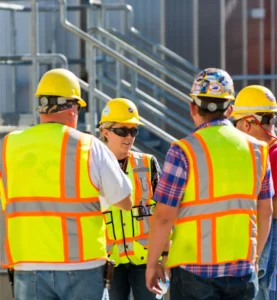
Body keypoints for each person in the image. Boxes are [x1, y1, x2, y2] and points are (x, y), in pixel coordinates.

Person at [0, 68, 132, 300]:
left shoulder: (8, 146)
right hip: (83, 266)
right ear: (72, 107)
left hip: (27, 266)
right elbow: (124, 200)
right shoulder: (89, 146)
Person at [145, 68, 274, 300]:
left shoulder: (183, 151)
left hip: (193, 272)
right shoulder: (258, 150)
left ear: (193, 107)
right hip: (242, 271)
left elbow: (164, 215)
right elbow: (266, 212)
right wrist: (254, 259)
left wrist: (152, 263)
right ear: (231, 110)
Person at [98, 98, 166, 300]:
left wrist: (165, 256)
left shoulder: (148, 164)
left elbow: (165, 213)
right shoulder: (92, 167)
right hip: (109, 264)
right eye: (122, 131)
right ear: (105, 131)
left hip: (147, 262)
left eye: (133, 131)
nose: (129, 137)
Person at [232, 85, 277, 300]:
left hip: (265, 253)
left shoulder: (270, 156)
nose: (236, 128)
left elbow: (270, 210)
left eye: (237, 122)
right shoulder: (263, 154)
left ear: (249, 123)